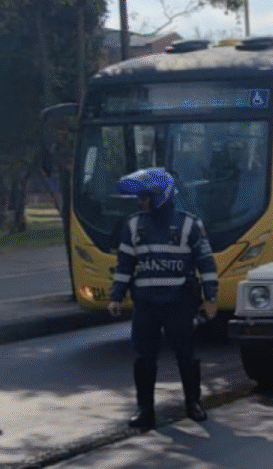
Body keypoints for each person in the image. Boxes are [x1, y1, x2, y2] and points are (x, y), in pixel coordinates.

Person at [107, 167, 218, 430]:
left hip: (179, 302)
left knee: (186, 355)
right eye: (139, 197)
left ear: (162, 195)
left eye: (145, 196)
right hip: (146, 305)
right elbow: (124, 265)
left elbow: (206, 264)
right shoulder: (133, 225)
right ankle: (145, 410)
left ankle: (193, 404)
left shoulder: (190, 224)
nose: (140, 201)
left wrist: (210, 298)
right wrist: (116, 297)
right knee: (144, 358)